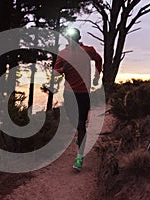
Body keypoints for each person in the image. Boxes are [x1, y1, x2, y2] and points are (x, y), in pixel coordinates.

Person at [54, 27, 102, 171]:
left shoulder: (88, 51)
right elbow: (55, 72)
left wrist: (96, 76)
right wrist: (63, 70)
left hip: (83, 94)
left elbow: (98, 59)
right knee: (74, 122)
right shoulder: (63, 54)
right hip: (68, 94)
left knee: (81, 125)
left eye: (74, 37)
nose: (72, 39)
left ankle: (80, 157)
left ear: (79, 37)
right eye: (70, 37)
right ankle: (80, 135)